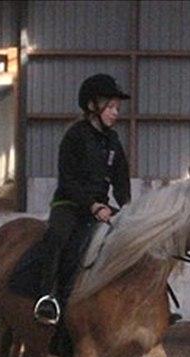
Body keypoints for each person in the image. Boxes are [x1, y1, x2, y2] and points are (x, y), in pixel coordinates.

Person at [33, 73, 131, 325]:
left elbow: (121, 179)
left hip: (99, 207)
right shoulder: (75, 136)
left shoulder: (113, 140)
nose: (115, 113)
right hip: (69, 204)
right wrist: (93, 206)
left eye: (117, 108)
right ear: (92, 107)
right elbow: (68, 181)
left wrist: (128, 209)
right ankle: (47, 298)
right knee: (58, 238)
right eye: (110, 107)